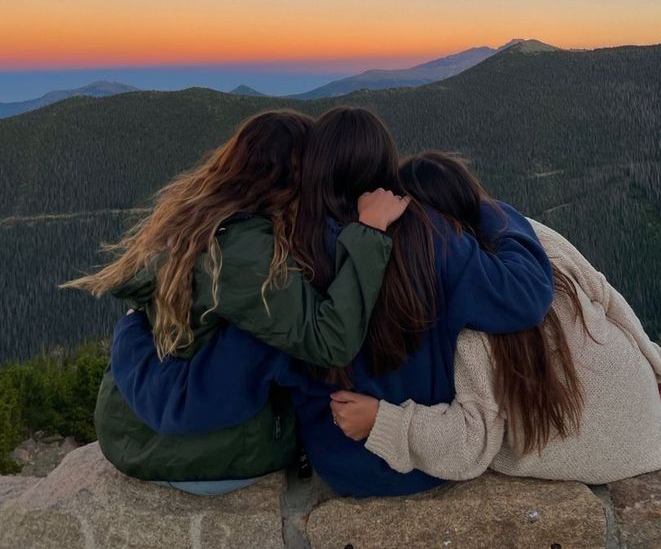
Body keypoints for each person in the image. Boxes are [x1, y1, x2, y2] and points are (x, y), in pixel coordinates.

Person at [109, 108, 556, 497]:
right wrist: (484, 206)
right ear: (387, 170)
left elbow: (204, 395)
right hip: (430, 463)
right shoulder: (436, 240)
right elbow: (527, 295)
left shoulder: (286, 269)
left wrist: (132, 332)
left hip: (342, 464)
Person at [330, 154, 661, 483]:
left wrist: (382, 421)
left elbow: (472, 441)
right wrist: (655, 365)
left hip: (597, 452)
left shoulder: (468, 315)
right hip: (636, 396)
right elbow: (605, 293)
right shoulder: (531, 238)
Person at [63, 110, 408, 493]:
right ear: (292, 176)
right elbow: (332, 341)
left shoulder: (205, 219)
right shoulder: (243, 253)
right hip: (206, 454)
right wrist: (371, 232)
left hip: (148, 432)